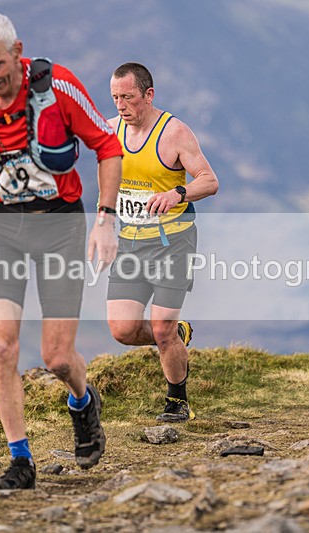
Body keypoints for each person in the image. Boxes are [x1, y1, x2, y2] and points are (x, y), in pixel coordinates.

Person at [0, 12, 122, 489]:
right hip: (3, 229)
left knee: (58, 358)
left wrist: (105, 219)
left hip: (61, 224)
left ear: (18, 51)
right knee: (1, 346)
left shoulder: (58, 88)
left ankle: (83, 401)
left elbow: (107, 147)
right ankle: (20, 462)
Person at [105, 63, 219, 422]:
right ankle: (177, 335)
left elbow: (210, 180)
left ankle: (177, 402)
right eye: (115, 98)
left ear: (148, 95)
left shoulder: (175, 133)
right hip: (130, 243)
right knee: (122, 330)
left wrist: (178, 193)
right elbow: (104, 179)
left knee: (162, 327)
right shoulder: (109, 131)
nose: (121, 105)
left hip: (173, 242)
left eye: (128, 97)